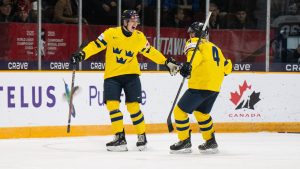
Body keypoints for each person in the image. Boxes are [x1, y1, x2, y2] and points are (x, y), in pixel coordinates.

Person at [71, 10, 180, 152]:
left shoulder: (139, 37)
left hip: (131, 76)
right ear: (125, 22)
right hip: (112, 76)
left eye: (136, 21)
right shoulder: (111, 33)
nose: (135, 24)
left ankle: (142, 136)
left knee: (133, 107)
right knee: (112, 105)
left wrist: (166, 62)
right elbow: (95, 45)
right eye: (132, 21)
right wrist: (81, 55)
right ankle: (120, 137)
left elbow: (151, 52)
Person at [169, 22, 232, 154]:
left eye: (191, 32)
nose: (190, 35)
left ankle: (184, 141)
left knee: (179, 112)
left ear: (196, 33)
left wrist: (189, 65)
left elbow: (194, 57)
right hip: (214, 87)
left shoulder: (193, 42)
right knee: (201, 113)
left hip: (200, 86)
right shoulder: (215, 47)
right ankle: (210, 141)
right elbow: (227, 68)